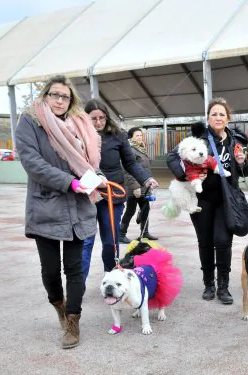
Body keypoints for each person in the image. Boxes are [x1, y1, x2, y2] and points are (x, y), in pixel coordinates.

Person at [15, 75, 105, 349]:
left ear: (71, 100)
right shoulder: (30, 121)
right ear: (45, 95)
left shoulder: (81, 124)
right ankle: (59, 305)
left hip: (80, 207)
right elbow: (32, 163)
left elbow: (89, 163)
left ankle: (73, 320)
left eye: (64, 96)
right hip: (47, 205)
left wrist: (96, 177)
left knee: (76, 269)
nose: (59, 100)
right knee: (51, 271)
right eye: (54, 95)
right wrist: (70, 182)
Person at [167, 98, 248, 304]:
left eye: (222, 114)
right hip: (201, 198)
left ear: (228, 118)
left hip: (226, 199)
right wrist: (185, 176)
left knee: (222, 241)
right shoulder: (198, 137)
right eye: (214, 114)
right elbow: (172, 157)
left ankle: (223, 286)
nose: (218, 117)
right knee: (205, 242)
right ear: (208, 118)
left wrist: (241, 162)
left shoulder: (235, 140)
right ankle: (208, 284)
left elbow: (243, 172)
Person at [81, 99, 158, 281]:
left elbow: (130, 163)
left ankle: (111, 277)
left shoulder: (118, 135)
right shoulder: (78, 135)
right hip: (87, 196)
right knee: (85, 243)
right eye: (94, 119)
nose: (99, 122)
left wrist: (146, 179)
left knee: (110, 242)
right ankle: (78, 286)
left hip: (112, 196)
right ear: (86, 118)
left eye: (102, 118)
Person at [120, 127, 158, 243]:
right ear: (131, 137)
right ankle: (121, 234)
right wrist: (135, 186)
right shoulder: (130, 150)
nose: (140, 138)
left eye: (141, 136)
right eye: (137, 136)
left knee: (145, 209)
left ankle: (144, 233)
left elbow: (144, 168)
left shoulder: (141, 149)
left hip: (144, 187)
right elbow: (127, 170)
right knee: (130, 211)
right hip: (135, 188)